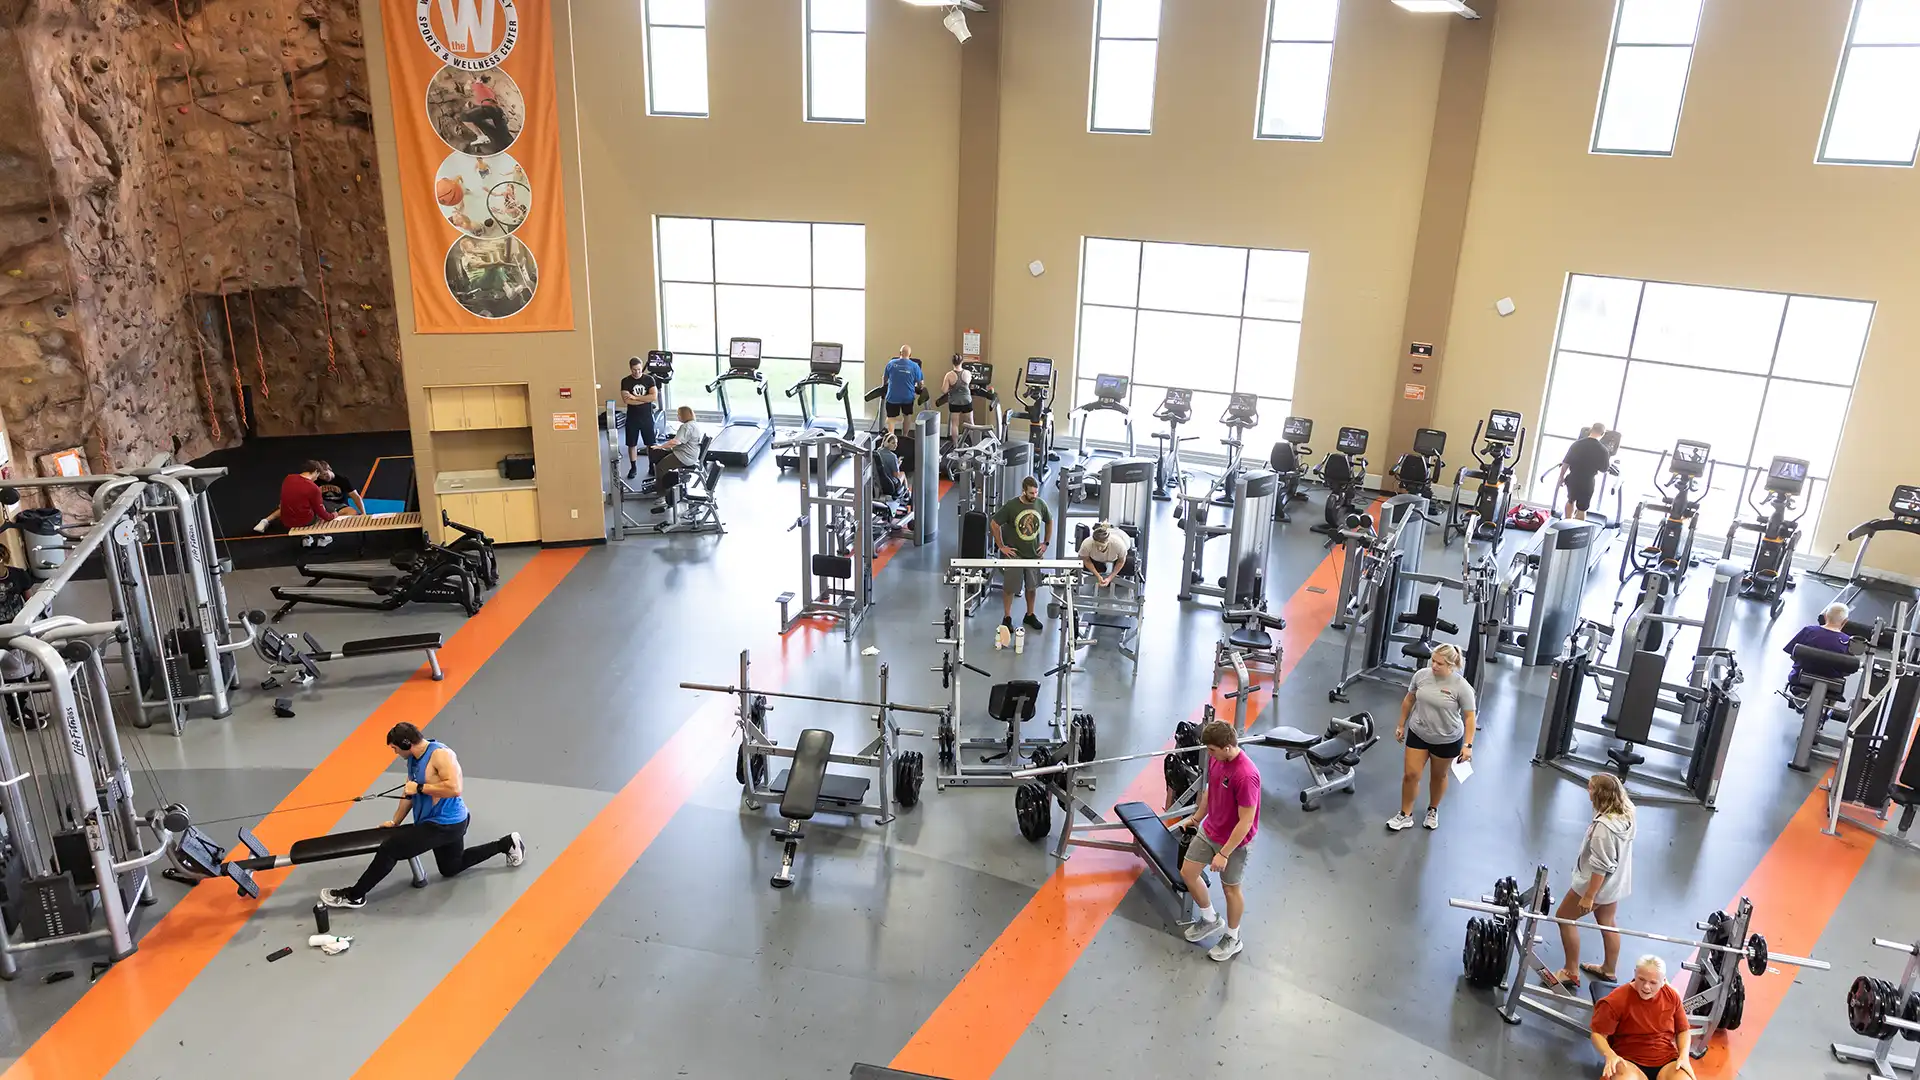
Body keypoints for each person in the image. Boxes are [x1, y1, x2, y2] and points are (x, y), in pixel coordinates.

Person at [320, 722, 524, 910]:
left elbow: (454, 788)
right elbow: (409, 793)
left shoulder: (441, 755)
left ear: (406, 744)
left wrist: (419, 787)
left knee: (389, 850)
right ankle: (506, 844)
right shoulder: (413, 759)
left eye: (395, 748)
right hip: (445, 823)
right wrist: (395, 822)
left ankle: (355, 896)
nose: (395, 753)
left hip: (445, 824)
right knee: (450, 868)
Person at [1170, 720, 1259, 962]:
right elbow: (1210, 791)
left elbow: (1246, 821)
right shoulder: (1217, 759)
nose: (1209, 754)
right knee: (1188, 872)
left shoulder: (1246, 775)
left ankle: (1233, 937)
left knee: (1230, 889)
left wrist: (1224, 853)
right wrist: (1196, 818)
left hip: (1235, 841)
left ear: (1227, 747)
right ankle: (1209, 918)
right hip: (1210, 830)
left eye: (1212, 750)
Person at [1549, 772, 1637, 989]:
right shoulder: (1628, 813)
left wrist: (1589, 896)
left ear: (1599, 794)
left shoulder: (1603, 829)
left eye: (1590, 788)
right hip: (1615, 885)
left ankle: (1570, 971)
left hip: (1595, 886)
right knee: (1608, 922)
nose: (1587, 791)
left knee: (1564, 918)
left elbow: (1600, 866)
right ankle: (1609, 970)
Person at [1388, 641, 1477, 832]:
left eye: (1439, 663)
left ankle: (1433, 810)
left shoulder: (1462, 687)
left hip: (1447, 739)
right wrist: (1401, 724)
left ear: (1451, 665)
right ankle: (1405, 815)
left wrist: (1468, 745)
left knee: (1439, 776)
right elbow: (1409, 699)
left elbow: (1470, 718)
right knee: (1411, 775)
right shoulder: (1421, 676)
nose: (1434, 666)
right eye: (1433, 661)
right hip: (1419, 732)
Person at [1590, 956, 1694, 1080]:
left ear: (1663, 981)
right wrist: (1610, 1054)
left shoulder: (1671, 996)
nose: (1646, 987)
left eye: (1653, 983)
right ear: (1635, 974)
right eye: (1641, 979)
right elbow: (1598, 1034)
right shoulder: (1615, 1000)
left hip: (1666, 1060)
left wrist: (1684, 1057)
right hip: (1629, 1061)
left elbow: (1683, 1030)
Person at [989, 475, 1052, 636]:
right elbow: (994, 524)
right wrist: (1001, 546)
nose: (1034, 496)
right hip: (1015, 556)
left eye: (1036, 492)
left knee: (1032, 587)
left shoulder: (1040, 504)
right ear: (1023, 491)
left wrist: (1046, 543)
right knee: (1009, 588)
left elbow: (1049, 520)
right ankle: (1007, 617)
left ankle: (1030, 615)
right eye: (1031, 493)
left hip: (1033, 555)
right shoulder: (1012, 506)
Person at [254, 461, 363, 538]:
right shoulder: (314, 484)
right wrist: (330, 516)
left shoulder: (342, 480)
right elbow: (318, 508)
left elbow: (356, 497)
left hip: (337, 505)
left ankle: (317, 532)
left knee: (352, 512)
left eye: (325, 474)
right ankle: (266, 520)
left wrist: (364, 513)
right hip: (320, 504)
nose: (323, 477)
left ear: (329, 469)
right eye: (320, 476)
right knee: (292, 505)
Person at [260, 460, 337, 548]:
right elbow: (321, 513)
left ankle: (306, 538)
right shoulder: (313, 488)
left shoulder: (288, 478)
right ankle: (322, 538)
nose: (317, 478)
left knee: (302, 507)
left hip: (286, 520)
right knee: (322, 509)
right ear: (315, 471)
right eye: (318, 475)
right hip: (304, 521)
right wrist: (332, 515)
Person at [1783, 601, 1855, 685]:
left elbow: (1793, 654)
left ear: (1825, 616)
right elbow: (1847, 671)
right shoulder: (1848, 641)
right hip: (1831, 685)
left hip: (1799, 680)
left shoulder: (1808, 631)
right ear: (1845, 621)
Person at [646, 406, 706, 501]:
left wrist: (660, 447)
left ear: (684, 415)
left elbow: (675, 442)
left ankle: (662, 494)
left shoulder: (686, 427)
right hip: (690, 454)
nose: (678, 416)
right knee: (659, 456)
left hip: (684, 456)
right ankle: (659, 483)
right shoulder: (694, 424)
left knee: (660, 467)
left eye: (679, 414)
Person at [1559, 422, 1613, 521]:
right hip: (1587, 481)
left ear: (1591, 430)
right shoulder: (1603, 450)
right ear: (1602, 434)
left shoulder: (1577, 444)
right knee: (1582, 508)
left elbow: (1566, 462)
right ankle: (1577, 528)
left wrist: (1561, 477)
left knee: (1570, 500)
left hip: (1573, 478)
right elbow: (1604, 469)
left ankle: (1567, 522)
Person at [620, 356, 660, 480]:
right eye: (634, 370)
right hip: (632, 417)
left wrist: (635, 398)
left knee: (650, 443)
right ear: (630, 369)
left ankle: (651, 466)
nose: (637, 372)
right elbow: (627, 400)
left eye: (639, 369)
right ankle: (633, 467)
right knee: (632, 444)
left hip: (647, 417)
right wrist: (644, 399)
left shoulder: (649, 379)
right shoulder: (625, 381)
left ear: (641, 367)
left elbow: (653, 397)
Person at [881, 346, 925, 434]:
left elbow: (884, 378)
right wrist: (920, 388)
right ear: (910, 355)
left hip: (893, 396)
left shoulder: (891, 363)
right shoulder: (915, 366)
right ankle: (905, 436)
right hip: (907, 397)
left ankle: (891, 436)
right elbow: (920, 383)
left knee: (891, 418)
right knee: (907, 416)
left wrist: (883, 387)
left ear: (900, 353)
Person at [1077, 521, 1132, 589]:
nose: (1099, 548)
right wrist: (1098, 576)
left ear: (1107, 542)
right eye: (1097, 545)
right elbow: (1086, 560)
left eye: (1102, 546)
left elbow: (1121, 561)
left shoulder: (1119, 544)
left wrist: (1109, 578)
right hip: (1097, 557)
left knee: (1127, 565)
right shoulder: (1087, 544)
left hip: (1121, 537)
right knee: (1098, 568)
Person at [939, 354, 974, 443]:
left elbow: (944, 390)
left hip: (954, 402)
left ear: (952, 362)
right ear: (962, 362)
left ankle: (955, 445)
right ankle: (973, 444)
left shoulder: (949, 375)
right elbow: (969, 384)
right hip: (966, 401)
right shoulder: (967, 373)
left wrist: (951, 387)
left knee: (954, 424)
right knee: (970, 423)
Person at [873, 432, 908, 502]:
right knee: (903, 474)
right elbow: (896, 476)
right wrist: (898, 464)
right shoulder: (893, 456)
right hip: (890, 483)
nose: (896, 445)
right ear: (886, 443)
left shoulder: (877, 452)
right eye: (893, 443)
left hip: (878, 481)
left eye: (896, 443)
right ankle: (906, 495)